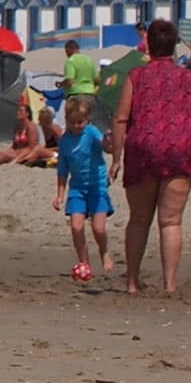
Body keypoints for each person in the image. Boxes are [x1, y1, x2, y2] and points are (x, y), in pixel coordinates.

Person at [110, 19, 191, 296]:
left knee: (139, 219)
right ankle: (169, 284)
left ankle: (131, 282)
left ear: (148, 44)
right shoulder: (188, 78)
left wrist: (117, 158)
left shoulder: (136, 76)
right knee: (171, 221)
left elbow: (120, 119)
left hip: (144, 147)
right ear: (174, 44)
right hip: (180, 148)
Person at [52, 96, 113, 281]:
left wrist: (108, 140)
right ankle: (83, 262)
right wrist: (59, 195)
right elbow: (62, 169)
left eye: (80, 122)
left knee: (98, 229)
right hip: (77, 188)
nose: (77, 126)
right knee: (76, 227)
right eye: (72, 122)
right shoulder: (64, 141)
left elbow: (106, 148)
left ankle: (104, 252)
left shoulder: (92, 132)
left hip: (97, 186)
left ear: (87, 120)